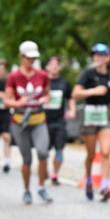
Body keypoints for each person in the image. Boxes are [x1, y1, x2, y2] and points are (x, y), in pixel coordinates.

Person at [5, 41, 53, 205]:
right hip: (19, 122)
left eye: (34, 58)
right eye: (29, 58)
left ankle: (41, 187)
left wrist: (44, 99)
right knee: (27, 159)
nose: (31, 61)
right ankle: (26, 190)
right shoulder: (13, 76)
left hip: (38, 119)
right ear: (22, 57)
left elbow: (48, 95)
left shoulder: (43, 75)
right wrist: (18, 103)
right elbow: (7, 101)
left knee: (42, 152)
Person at [72, 44, 110, 201]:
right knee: (91, 154)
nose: (98, 58)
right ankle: (88, 180)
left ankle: (104, 186)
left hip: (107, 113)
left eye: (102, 55)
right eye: (96, 55)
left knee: (106, 152)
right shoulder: (87, 74)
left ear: (108, 57)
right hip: (90, 114)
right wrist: (93, 91)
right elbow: (75, 93)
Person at [43, 55, 75, 186]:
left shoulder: (64, 83)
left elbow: (70, 98)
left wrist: (72, 110)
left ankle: (55, 174)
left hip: (59, 120)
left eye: (57, 64)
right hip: (43, 121)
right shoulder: (42, 81)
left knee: (59, 149)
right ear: (47, 67)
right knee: (43, 150)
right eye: (52, 64)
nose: (55, 67)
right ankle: (43, 169)